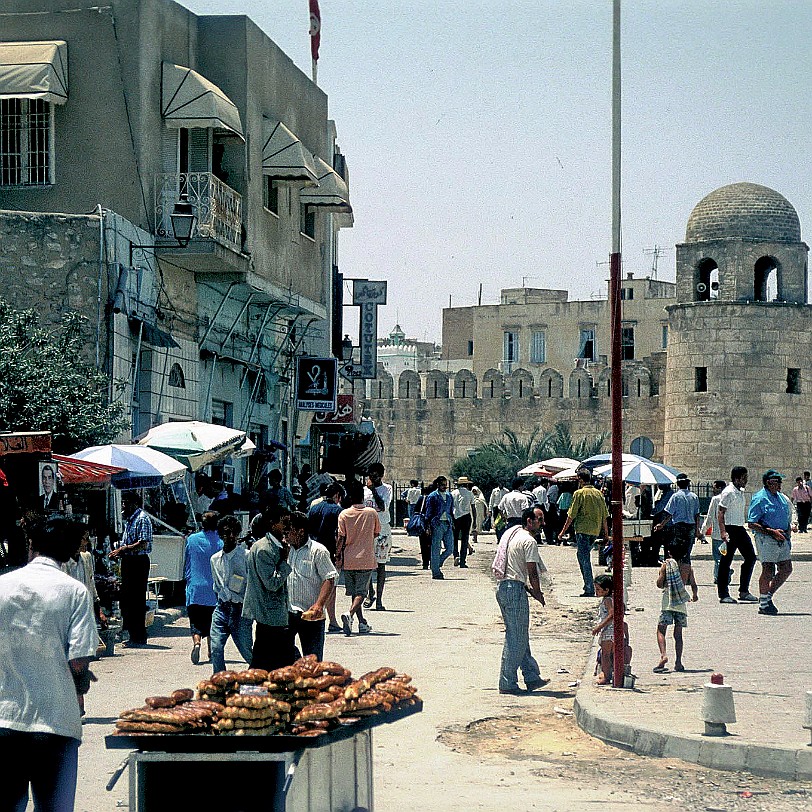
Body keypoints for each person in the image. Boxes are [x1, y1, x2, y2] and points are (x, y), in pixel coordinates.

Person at [0, 517, 98, 812]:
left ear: (31, 546)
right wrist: (81, 682)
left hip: (4, 720)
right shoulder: (75, 592)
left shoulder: (2, 585)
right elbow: (79, 660)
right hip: (55, 725)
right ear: (69, 554)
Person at [492, 506, 549, 695]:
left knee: (519, 634)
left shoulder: (513, 533)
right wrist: (538, 592)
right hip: (514, 589)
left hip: (505, 588)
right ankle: (507, 682)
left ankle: (531, 676)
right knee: (516, 637)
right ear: (529, 521)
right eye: (539, 520)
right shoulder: (529, 541)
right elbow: (532, 571)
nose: (542, 524)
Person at [242, 510, 297, 669]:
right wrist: (284, 562)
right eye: (283, 522)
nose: (287, 526)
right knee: (265, 663)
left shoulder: (275, 546)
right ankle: (249, 692)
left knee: (275, 663)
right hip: (269, 616)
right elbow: (272, 583)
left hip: (275, 615)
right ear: (272, 524)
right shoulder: (264, 549)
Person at [285, 511, 338, 660]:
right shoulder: (285, 550)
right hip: (289, 612)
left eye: (288, 531)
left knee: (313, 660)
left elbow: (329, 578)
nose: (285, 535)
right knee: (283, 649)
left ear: (300, 531)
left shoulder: (318, 551)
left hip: (311, 614)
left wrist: (319, 605)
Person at [209, 515, 254, 675]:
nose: (231, 537)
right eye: (227, 533)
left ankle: (258, 679)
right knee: (216, 648)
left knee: (247, 651)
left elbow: (251, 584)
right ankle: (219, 679)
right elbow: (217, 585)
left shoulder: (246, 556)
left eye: (234, 533)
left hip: (240, 611)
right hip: (222, 609)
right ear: (220, 535)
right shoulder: (214, 559)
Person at [108, 491, 152, 647]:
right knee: (128, 598)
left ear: (134, 503)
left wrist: (123, 549)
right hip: (129, 561)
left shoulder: (142, 519)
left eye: (126, 503)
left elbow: (143, 543)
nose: (123, 506)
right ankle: (133, 633)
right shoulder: (130, 520)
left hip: (138, 562)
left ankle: (139, 636)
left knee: (137, 599)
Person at [747, 469, 793, 616]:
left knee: (786, 568)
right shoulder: (760, 498)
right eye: (777, 481)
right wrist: (772, 532)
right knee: (768, 569)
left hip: (782, 538)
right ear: (768, 482)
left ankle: (767, 596)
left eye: (780, 482)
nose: (780, 484)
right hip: (767, 538)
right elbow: (752, 523)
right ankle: (764, 602)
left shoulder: (781, 498)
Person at [336, 480, 380, 635]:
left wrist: (338, 556)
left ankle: (362, 623)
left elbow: (341, 537)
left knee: (355, 592)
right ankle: (350, 614)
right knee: (362, 592)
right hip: (366, 558)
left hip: (349, 559)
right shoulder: (371, 513)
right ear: (362, 497)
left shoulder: (344, 514)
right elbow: (376, 533)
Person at [558, 469, 609, 597]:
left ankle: (589, 587)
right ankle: (589, 585)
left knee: (584, 559)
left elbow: (571, 515)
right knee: (584, 557)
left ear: (581, 479)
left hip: (582, 530)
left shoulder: (579, 493)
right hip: (595, 531)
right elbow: (604, 516)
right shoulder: (599, 494)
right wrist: (606, 534)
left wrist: (562, 532)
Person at [184, 511, 223, 664]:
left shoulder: (191, 539)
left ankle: (197, 643)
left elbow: (186, 561)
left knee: (195, 621)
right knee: (212, 622)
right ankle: (211, 651)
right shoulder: (220, 542)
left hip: (195, 588)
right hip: (214, 590)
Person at [716, 466, 758, 604]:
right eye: (744, 478)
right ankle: (723, 594)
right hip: (730, 529)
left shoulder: (740, 492)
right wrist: (723, 531)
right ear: (737, 478)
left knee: (751, 557)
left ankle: (743, 591)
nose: (746, 481)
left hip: (740, 529)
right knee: (726, 561)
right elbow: (721, 512)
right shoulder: (728, 492)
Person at [307, 481, 344, 631]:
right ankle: (332, 621)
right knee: (330, 586)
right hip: (329, 551)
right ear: (336, 495)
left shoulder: (314, 508)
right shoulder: (337, 511)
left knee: (314, 585)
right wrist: (339, 553)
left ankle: (313, 615)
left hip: (312, 549)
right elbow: (340, 534)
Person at [652, 473, 701, 585]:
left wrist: (661, 524)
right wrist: (697, 530)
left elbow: (669, 513)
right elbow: (697, 515)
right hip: (691, 527)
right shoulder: (694, 496)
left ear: (678, 484)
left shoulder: (675, 496)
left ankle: (676, 576)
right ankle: (687, 576)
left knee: (676, 552)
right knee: (687, 552)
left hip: (679, 527)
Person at [654, 552, 698, 673]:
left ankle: (663, 655)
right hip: (681, 605)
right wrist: (695, 596)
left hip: (668, 603)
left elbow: (659, 584)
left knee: (661, 630)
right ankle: (678, 662)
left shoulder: (666, 565)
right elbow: (693, 584)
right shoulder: (687, 567)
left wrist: (661, 574)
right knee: (678, 635)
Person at [363, 463, 393, 610]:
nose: (372, 479)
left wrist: (374, 490)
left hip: (382, 530)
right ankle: (370, 592)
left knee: (381, 565)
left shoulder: (386, 489)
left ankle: (379, 599)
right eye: (370, 476)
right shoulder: (364, 491)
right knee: (367, 564)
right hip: (367, 531)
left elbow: (382, 506)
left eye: (375, 476)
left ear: (380, 476)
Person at [423, 476, 455, 579]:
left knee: (450, 548)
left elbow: (451, 510)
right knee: (436, 548)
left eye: (446, 485)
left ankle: (437, 563)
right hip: (437, 524)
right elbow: (428, 513)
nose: (444, 487)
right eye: (442, 485)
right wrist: (428, 526)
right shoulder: (433, 496)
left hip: (447, 523)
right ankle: (436, 572)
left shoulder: (449, 496)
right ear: (438, 485)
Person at [700, 480, 727, 585]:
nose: (713, 490)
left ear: (720, 488)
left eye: (714, 488)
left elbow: (710, 517)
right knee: (724, 556)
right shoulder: (731, 498)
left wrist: (702, 531)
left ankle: (720, 576)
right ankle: (719, 575)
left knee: (717, 557)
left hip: (717, 534)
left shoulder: (716, 499)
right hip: (729, 534)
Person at [591, 574, 615, 685]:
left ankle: (606, 676)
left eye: (598, 589)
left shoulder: (607, 600)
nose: (596, 591)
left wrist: (599, 627)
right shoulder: (609, 599)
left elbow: (611, 615)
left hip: (608, 630)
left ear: (606, 590)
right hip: (609, 630)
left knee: (605, 655)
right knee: (607, 654)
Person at [451, 475, 475, 568]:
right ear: (466, 484)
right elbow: (473, 507)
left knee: (455, 538)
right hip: (466, 517)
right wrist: (475, 520)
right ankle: (462, 561)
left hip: (455, 517)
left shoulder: (453, 493)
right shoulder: (470, 494)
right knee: (465, 539)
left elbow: (450, 506)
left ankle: (455, 555)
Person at [414, 485, 433, 570]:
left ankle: (425, 563)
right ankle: (432, 561)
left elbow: (416, 510)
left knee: (423, 543)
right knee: (432, 543)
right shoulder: (434, 498)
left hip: (423, 523)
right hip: (432, 523)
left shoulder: (422, 498)